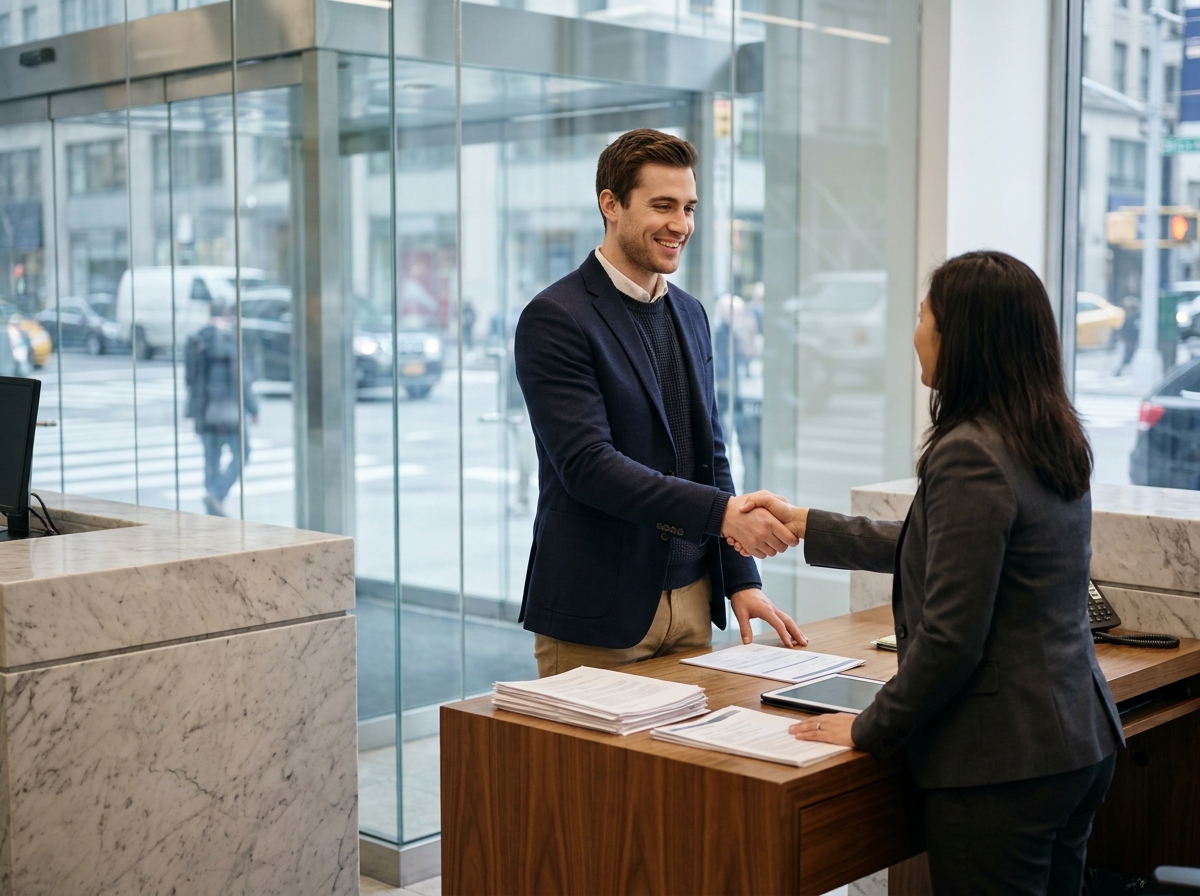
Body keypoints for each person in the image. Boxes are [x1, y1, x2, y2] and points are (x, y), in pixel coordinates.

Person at [729, 251, 1124, 895]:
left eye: (922, 316)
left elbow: (950, 639)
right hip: (1073, 738)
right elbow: (948, 547)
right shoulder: (1046, 432)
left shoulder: (970, 451)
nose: (915, 333)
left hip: (1002, 761)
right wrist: (808, 522)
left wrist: (868, 728)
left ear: (961, 335)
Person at [514, 128, 806, 679]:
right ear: (611, 205)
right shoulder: (556, 317)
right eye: (663, 206)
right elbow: (587, 467)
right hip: (599, 610)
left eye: (689, 208)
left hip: (693, 601)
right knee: (589, 770)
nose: (681, 225)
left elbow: (711, 455)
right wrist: (723, 514)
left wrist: (739, 578)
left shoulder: (692, 314)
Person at [185, 297, 259, 516]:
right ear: (227, 313)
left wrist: (192, 412)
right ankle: (216, 494)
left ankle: (213, 503)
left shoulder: (198, 339)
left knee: (211, 459)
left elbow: (191, 379)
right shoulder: (230, 339)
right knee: (242, 454)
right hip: (230, 412)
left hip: (206, 412)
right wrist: (253, 409)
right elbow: (243, 379)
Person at [1113, 295, 1139, 376]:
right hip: (1129, 340)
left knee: (1128, 356)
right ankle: (1118, 371)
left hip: (1131, 340)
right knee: (1126, 356)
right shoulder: (1129, 317)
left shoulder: (1135, 316)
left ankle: (1120, 371)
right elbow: (1124, 328)